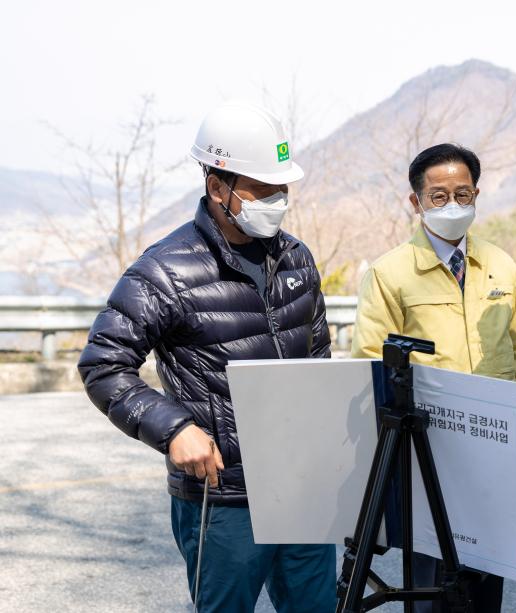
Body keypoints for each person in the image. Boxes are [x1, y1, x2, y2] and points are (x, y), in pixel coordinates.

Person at [77, 101, 336, 613]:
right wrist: (173, 429)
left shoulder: (297, 258)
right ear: (218, 187)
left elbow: (318, 356)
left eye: (281, 189)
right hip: (225, 498)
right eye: (262, 191)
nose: (277, 201)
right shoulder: (164, 270)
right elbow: (103, 365)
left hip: (304, 489)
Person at [351, 143, 516, 612]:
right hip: (427, 455)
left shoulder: (499, 264)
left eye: (463, 193)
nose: (453, 205)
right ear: (416, 202)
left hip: (493, 450)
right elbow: (372, 361)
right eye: (439, 196)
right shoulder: (390, 273)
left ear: (477, 194)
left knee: (485, 584)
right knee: (433, 586)